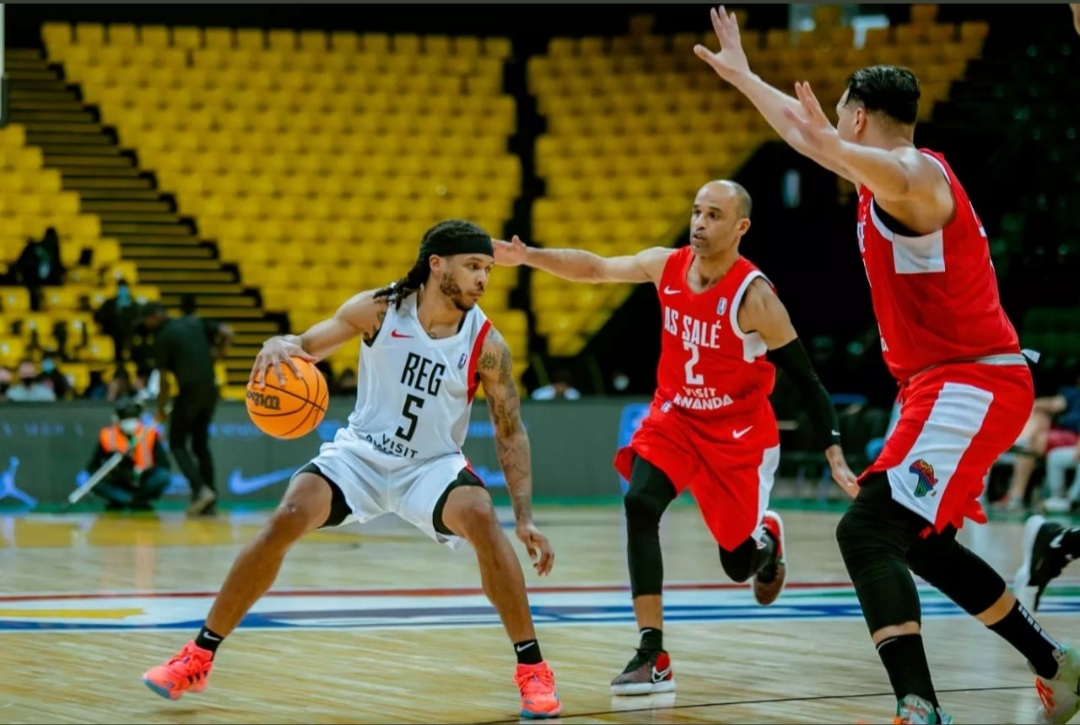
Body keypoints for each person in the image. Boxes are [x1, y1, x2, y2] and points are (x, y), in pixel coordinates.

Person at [694, 7, 1080, 723]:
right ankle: (1056, 663)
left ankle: (919, 706)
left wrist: (823, 140)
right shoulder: (885, 172)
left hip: (972, 378)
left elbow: (854, 157)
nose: (832, 130)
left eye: (840, 119)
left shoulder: (917, 177)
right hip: (945, 382)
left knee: (866, 531)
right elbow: (806, 135)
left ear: (861, 117)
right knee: (924, 543)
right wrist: (745, 76)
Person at [141, 220, 563, 719]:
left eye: (487, 269)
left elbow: (510, 430)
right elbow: (307, 346)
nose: (483, 280)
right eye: (474, 266)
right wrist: (282, 340)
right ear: (436, 265)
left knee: (480, 514)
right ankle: (198, 656)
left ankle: (532, 669)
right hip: (360, 455)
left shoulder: (488, 345)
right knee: (287, 514)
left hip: (430, 466)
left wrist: (526, 516)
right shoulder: (379, 310)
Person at [494, 180, 858, 696]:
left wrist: (834, 449)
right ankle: (651, 652)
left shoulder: (754, 297)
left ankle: (766, 543)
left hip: (737, 438)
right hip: (676, 419)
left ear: (740, 227)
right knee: (640, 503)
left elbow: (806, 379)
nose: (700, 224)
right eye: (696, 212)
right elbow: (595, 267)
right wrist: (529, 256)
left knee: (736, 562)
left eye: (713, 215)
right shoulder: (667, 265)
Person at [142, 296, 232, 516]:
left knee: (177, 443)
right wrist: (218, 354)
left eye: (146, 320)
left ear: (155, 317)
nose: (145, 325)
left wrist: (161, 409)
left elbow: (163, 380)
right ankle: (210, 499)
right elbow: (228, 333)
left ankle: (200, 491)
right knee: (200, 445)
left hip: (189, 391)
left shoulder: (163, 337)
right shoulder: (194, 322)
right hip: (210, 391)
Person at [1002, 373, 1080, 511]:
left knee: (1031, 446)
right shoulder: (1074, 394)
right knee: (1039, 412)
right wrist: (1034, 405)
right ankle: (1024, 439)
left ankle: (1016, 496)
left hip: (1075, 438)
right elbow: (1053, 404)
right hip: (1059, 434)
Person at [85, 397, 170, 512]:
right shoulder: (108, 435)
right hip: (117, 482)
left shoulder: (149, 434)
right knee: (92, 480)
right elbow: (92, 467)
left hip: (143, 480)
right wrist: (114, 469)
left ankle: (137, 499)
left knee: (163, 477)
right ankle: (127, 499)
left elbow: (164, 464)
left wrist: (142, 472)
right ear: (118, 418)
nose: (130, 421)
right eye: (126, 417)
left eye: (133, 417)